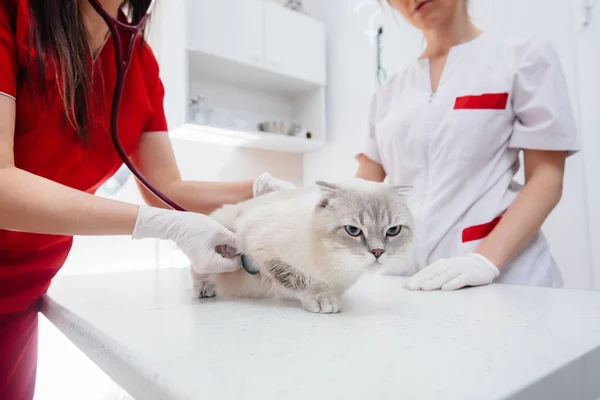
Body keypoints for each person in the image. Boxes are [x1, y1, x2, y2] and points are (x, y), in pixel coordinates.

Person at [0, 0, 294, 398]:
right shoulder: (13, 14)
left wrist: (257, 190)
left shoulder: (136, 58)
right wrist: (165, 226)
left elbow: (167, 189)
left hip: (26, 291)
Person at [355, 0, 580, 291]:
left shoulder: (522, 59)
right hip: (411, 284)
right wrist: (301, 206)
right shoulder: (388, 94)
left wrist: (483, 261)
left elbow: (546, 178)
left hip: (508, 281)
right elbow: (362, 190)